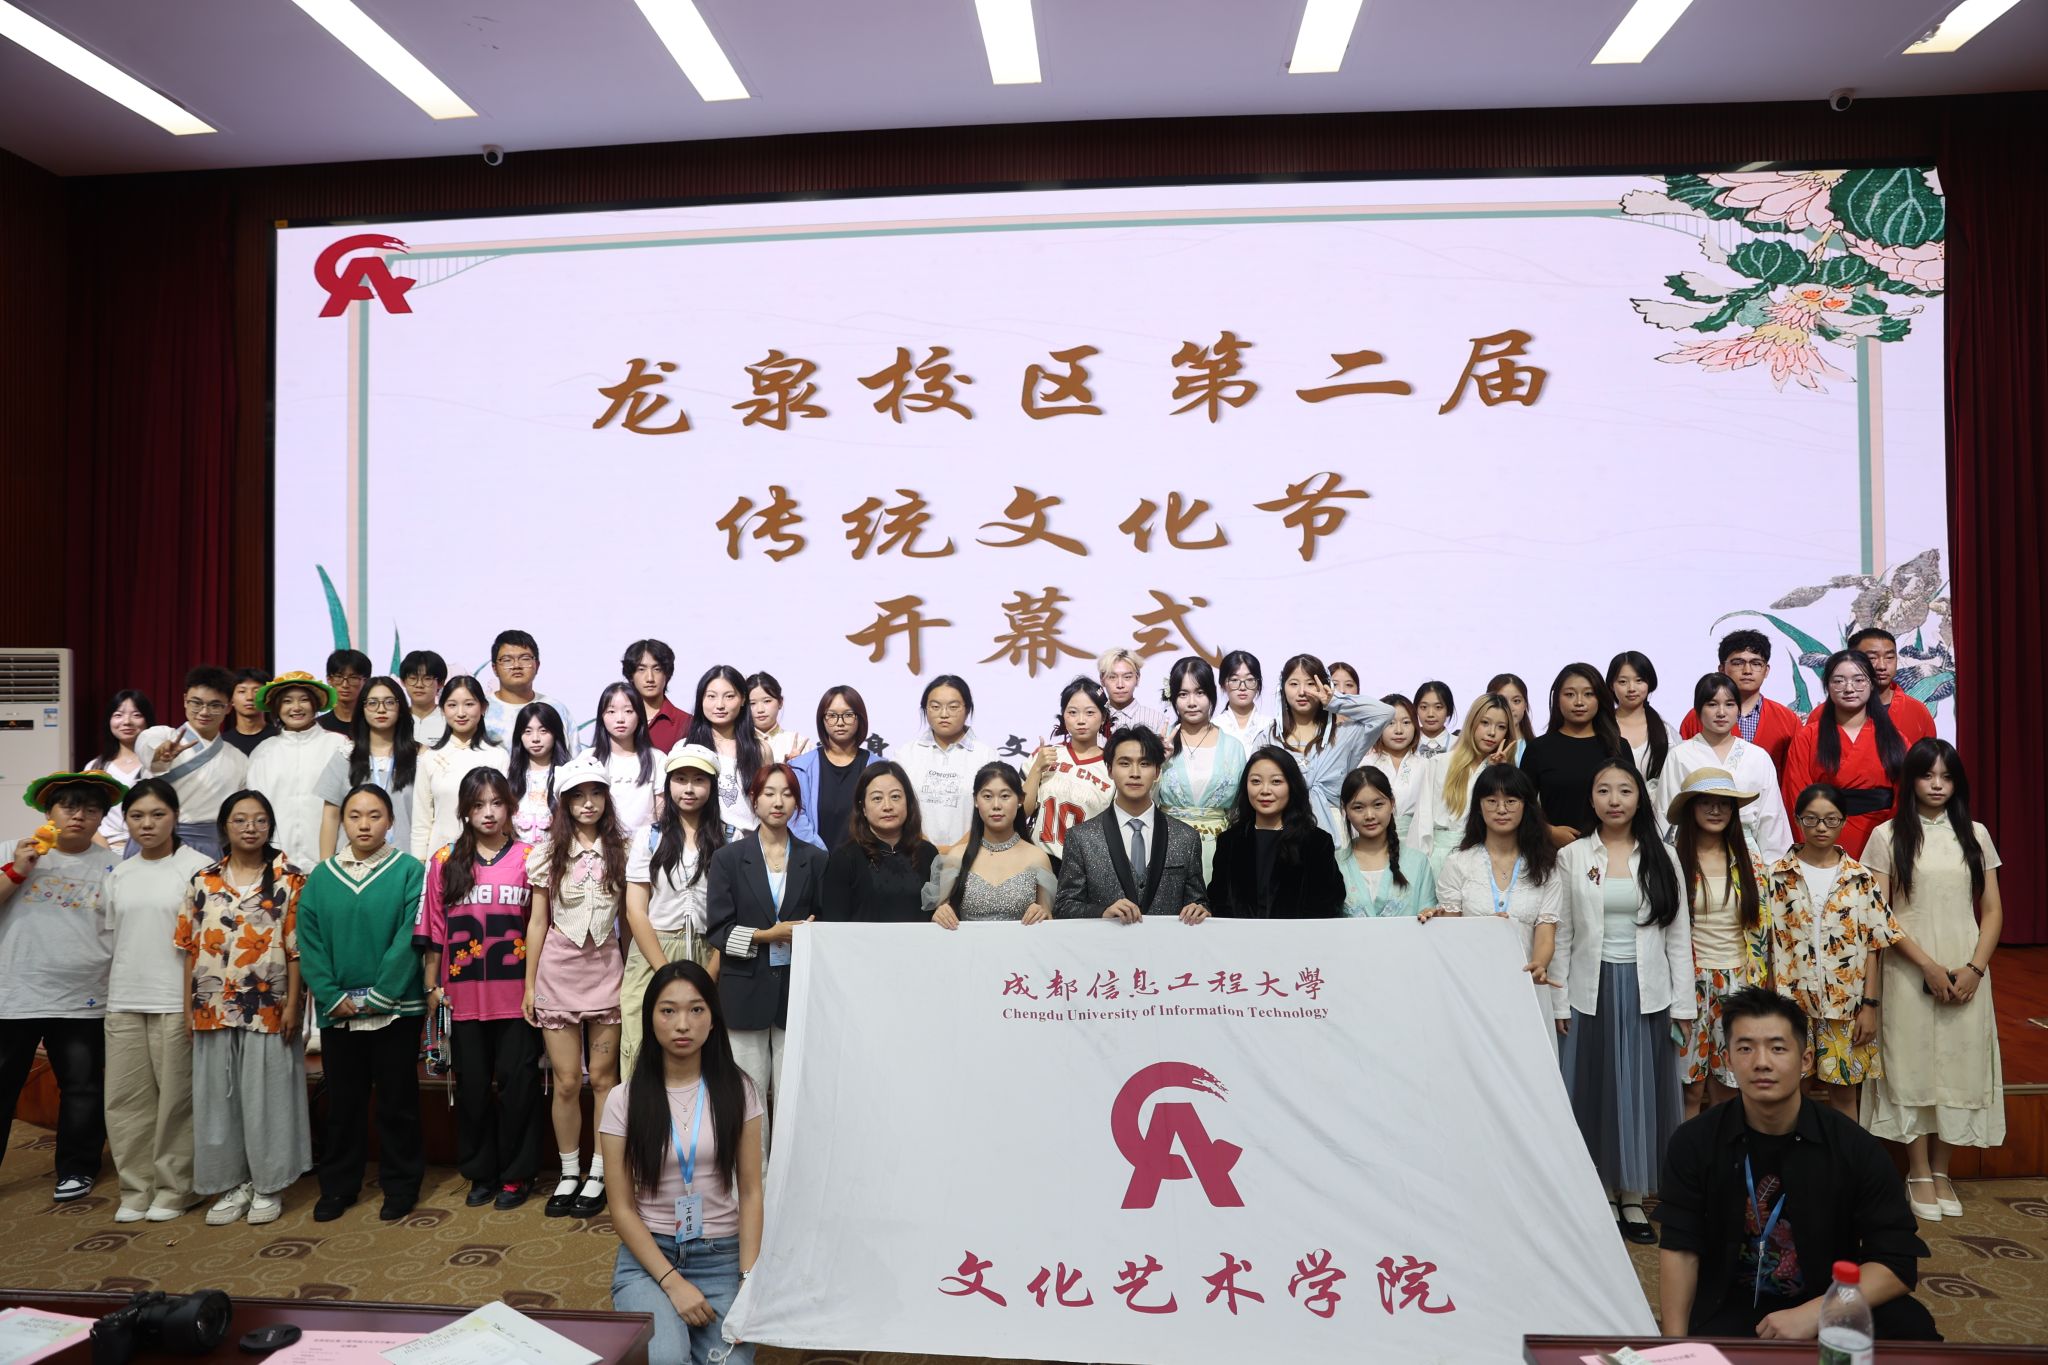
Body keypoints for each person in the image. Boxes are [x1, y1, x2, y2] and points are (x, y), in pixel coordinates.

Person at [1655, 987, 1939, 1342]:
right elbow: (1680, 1248)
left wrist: (1818, 1313)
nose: (1761, 1062)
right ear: (1727, 1060)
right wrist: (1674, 1348)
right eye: (1745, 1048)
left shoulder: (1854, 1147)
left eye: (1777, 1048)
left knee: (1912, 1327)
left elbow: (1896, 1262)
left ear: (1805, 1060)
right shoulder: (1695, 1142)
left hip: (1827, 1297)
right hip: (1729, 1302)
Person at [1863, 740, 2005, 1222]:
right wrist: (1925, 965)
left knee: (1960, 1064)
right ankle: (1918, 1171)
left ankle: (1942, 1170)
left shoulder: (1976, 834)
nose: (1938, 785)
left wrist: (1976, 968)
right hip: (1909, 967)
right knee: (1912, 1064)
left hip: (1966, 965)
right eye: (1927, 776)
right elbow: (1879, 915)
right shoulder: (1886, 836)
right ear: (1912, 781)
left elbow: (1992, 910)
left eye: (1946, 776)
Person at [1552, 759, 1691, 1244]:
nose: (1614, 800)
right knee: (1595, 1092)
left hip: (1646, 991)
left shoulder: (1663, 856)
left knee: (1637, 1094)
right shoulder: (1572, 856)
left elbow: (1678, 935)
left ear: (1640, 798)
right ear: (1591, 799)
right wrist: (1559, 1002)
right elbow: (1562, 934)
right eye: (1604, 790)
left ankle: (1632, 1196)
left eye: (1625, 790)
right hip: (1588, 991)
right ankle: (1601, 1193)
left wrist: (1683, 1006)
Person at [601, 961, 763, 1365]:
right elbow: (621, 1209)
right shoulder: (624, 1100)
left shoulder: (740, 1090)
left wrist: (749, 1280)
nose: (682, 1024)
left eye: (696, 1009)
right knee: (667, 1360)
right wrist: (673, 1283)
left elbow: (751, 1192)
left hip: (722, 1256)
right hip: (650, 1256)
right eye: (668, 1011)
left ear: (713, 1019)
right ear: (650, 1018)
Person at [295, 784, 429, 1222]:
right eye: (354, 816)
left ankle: (401, 1185)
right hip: (338, 1012)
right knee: (343, 1104)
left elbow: (410, 935)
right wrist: (331, 995)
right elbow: (309, 941)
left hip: (396, 1009)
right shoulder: (322, 877)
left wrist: (382, 993)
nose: (364, 824)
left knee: (397, 1103)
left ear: (391, 821)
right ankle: (338, 1187)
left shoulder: (408, 870)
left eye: (375, 815)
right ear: (343, 822)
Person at [179, 789, 311, 1226]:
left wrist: (294, 1005)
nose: (250, 828)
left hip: (268, 1005)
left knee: (268, 1099)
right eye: (240, 820)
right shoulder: (203, 881)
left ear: (270, 826)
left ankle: (269, 1184)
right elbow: (190, 949)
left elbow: (297, 950)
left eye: (259, 820)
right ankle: (234, 1183)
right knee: (219, 1100)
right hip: (212, 1006)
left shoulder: (291, 879)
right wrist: (188, 1009)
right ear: (225, 826)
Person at [414, 767, 542, 1211]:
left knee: (518, 1087)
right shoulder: (444, 860)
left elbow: (540, 927)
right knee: (471, 1091)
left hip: (516, 998)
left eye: (497, 803)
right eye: (478, 804)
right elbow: (434, 927)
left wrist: (536, 989)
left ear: (510, 807)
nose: (488, 813)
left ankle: (517, 1175)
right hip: (462, 997)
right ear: (465, 811)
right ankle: (480, 1173)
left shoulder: (530, 858)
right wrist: (431, 985)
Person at [0, 770, 122, 1202]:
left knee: (82, 1086)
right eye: (69, 807)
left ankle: (77, 1169)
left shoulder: (114, 867)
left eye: (91, 809)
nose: (79, 816)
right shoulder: (14, 851)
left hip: (83, 995)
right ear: (49, 812)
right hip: (16, 992)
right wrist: (18, 870)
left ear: (102, 818)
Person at [523, 756, 629, 1221]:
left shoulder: (624, 848)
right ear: (564, 803)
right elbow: (537, 921)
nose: (588, 804)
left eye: (596, 793)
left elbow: (630, 918)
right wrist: (529, 985)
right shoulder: (548, 851)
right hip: (558, 971)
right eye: (578, 796)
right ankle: (569, 1172)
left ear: (607, 798)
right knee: (566, 1081)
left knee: (604, 1079)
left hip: (606, 968)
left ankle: (600, 1173)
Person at [101, 778, 210, 1221]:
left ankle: (175, 1188)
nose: (147, 824)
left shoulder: (198, 868)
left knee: (176, 1103)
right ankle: (135, 1188)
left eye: (157, 814)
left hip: (174, 1000)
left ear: (176, 817)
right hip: (124, 998)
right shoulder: (120, 873)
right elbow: (112, 938)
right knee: (125, 1101)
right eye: (137, 816)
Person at [1765, 784, 1902, 1121]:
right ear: (1798, 820)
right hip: (1791, 1005)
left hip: (1845, 1007)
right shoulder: (1775, 876)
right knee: (1790, 1090)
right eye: (1811, 819)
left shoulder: (1860, 877)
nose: (1821, 827)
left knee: (1843, 1095)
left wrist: (1869, 1006)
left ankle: (1843, 1157)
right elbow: (1765, 943)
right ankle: (1792, 1154)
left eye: (1831, 819)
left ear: (1843, 821)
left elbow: (1873, 946)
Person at [706, 764, 824, 1157]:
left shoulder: (815, 859)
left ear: (797, 803)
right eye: (769, 793)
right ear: (753, 801)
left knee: (795, 1096)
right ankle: (753, 1182)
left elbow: (826, 924)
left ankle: (792, 1183)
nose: (778, 802)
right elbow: (718, 930)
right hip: (744, 990)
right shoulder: (728, 858)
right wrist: (765, 936)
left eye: (787, 794)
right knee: (748, 1099)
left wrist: (812, 932)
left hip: (797, 992)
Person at [1668, 768, 1775, 1120]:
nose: (1716, 810)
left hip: (1739, 982)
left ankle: (1722, 1154)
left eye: (1724, 804)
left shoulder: (1750, 861)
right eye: (1706, 803)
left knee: (1729, 1087)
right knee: (1689, 1086)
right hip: (1688, 983)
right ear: (1691, 808)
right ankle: (1685, 1153)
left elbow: (1764, 931)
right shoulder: (1672, 859)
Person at [1420, 764, 1561, 1019]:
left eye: (1511, 801)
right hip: (1471, 987)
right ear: (1479, 806)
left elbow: (1545, 933)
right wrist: (1440, 920)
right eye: (1491, 801)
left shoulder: (1545, 866)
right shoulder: (1459, 863)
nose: (1501, 809)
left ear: (1526, 806)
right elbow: (1451, 933)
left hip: (1526, 985)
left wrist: (1539, 965)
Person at [621, 747, 727, 1075]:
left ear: (712, 786)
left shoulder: (731, 837)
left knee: (706, 1056)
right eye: (680, 779)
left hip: (711, 952)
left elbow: (734, 914)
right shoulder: (649, 837)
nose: (689, 789)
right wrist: (665, 972)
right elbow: (635, 911)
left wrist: (708, 976)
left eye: (699, 780)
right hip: (654, 952)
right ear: (668, 785)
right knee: (641, 1052)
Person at [1052, 727, 1210, 924]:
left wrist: (1199, 909)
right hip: (1105, 942)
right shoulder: (1081, 837)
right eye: (1125, 763)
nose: (1135, 773)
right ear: (1110, 770)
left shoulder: (1186, 837)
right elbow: (1063, 907)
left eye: (1145, 764)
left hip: (1166, 943)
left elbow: (1199, 902)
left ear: (1157, 771)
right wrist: (1102, 912)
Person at [1781, 650, 1906, 858]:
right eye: (1839, 681)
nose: (1849, 688)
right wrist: (1810, 847)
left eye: (1859, 680)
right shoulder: (1807, 737)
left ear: (1872, 684)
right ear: (1827, 686)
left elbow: (1905, 797)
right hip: (1822, 840)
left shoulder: (1895, 739)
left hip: (1881, 841)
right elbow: (1795, 796)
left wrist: (1891, 841)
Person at [1663, 674, 1793, 860]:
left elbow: (1771, 820)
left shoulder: (1758, 757)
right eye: (1712, 704)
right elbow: (1665, 814)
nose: (1721, 712)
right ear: (1698, 709)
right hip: (1692, 852)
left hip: (1746, 853)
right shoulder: (1679, 755)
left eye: (1730, 704)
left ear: (1738, 709)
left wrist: (1774, 868)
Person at [1209, 747, 1345, 918]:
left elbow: (1328, 903)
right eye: (1256, 781)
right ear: (1246, 786)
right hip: (1239, 935)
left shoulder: (1317, 842)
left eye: (1276, 782)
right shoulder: (1229, 841)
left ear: (1292, 786)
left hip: (1297, 935)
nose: (1265, 790)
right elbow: (1217, 901)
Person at [1270, 654, 1393, 844]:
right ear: (1282, 688)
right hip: (1281, 828)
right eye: (1294, 684)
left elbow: (1385, 713)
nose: (1302, 691)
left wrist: (1335, 701)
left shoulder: (1344, 735)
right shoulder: (1269, 737)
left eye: (1311, 684)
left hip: (1333, 831)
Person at [135, 666, 251, 859]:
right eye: (196, 703)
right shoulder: (161, 734)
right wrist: (160, 754)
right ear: (184, 700)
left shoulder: (238, 758)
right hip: (156, 841)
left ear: (228, 707)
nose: (204, 712)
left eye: (215, 705)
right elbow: (147, 747)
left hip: (208, 848)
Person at [925, 762, 1056, 926]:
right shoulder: (957, 857)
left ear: (1020, 799)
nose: (996, 805)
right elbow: (941, 917)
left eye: (1005, 796)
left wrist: (1042, 914)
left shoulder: (1037, 857)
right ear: (975, 800)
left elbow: (1048, 921)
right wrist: (940, 914)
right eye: (987, 796)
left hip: (1023, 942)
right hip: (969, 943)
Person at [1407, 692, 1517, 882]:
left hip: (1484, 860)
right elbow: (1421, 824)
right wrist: (1415, 871)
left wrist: (1499, 775)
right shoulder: (1439, 763)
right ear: (1472, 722)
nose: (1492, 732)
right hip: (1438, 860)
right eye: (1485, 723)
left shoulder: (1507, 774)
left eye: (1501, 727)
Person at [246, 671, 350, 870]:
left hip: (332, 858)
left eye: (304, 700)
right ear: (277, 708)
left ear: (315, 705)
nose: (296, 707)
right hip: (276, 864)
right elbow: (255, 807)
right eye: (287, 701)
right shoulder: (264, 751)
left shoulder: (338, 745)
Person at [1156, 656, 1247, 881]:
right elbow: (1141, 799)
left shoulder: (1233, 747)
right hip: (1167, 846)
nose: (1192, 702)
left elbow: (1240, 809)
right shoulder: (1160, 744)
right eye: (1183, 694)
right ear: (1173, 698)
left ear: (1212, 694)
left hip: (1219, 851)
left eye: (1200, 692)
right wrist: (1155, 762)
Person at [1521, 663, 1626, 848]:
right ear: (1557, 699)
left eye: (1588, 694)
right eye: (1569, 694)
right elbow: (1520, 805)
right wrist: (1548, 831)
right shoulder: (1538, 749)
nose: (1579, 702)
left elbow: (1632, 801)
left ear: (1600, 698)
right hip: (1554, 852)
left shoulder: (1618, 747)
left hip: (1610, 850)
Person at [315, 676, 420, 860]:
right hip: (351, 862)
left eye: (389, 702)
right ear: (362, 710)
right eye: (372, 703)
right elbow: (331, 817)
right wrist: (324, 868)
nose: (381, 709)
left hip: (404, 862)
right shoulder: (345, 756)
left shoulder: (420, 758)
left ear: (401, 708)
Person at [820, 762, 937, 922]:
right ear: (863, 807)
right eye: (877, 798)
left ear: (908, 802)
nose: (887, 806)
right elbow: (833, 924)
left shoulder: (928, 854)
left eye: (895, 796)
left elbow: (937, 911)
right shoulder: (845, 858)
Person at [1677, 630, 1804, 776]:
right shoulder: (1697, 717)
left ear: (1766, 670)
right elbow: (1682, 769)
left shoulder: (1788, 720)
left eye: (1756, 663)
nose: (1747, 670)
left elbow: (1794, 777)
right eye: (1738, 663)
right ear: (1721, 669)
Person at [411, 675, 510, 859]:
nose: (461, 713)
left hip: (489, 859)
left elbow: (506, 816)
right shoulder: (430, 758)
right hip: (441, 858)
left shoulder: (498, 757)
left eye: (469, 704)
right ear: (442, 710)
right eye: (452, 705)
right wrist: (420, 862)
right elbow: (421, 822)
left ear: (483, 708)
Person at [1023, 676, 1115, 868]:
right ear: (1063, 716)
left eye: (1090, 712)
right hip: (1039, 863)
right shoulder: (1045, 755)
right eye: (1072, 712)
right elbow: (1021, 812)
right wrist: (1037, 768)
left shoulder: (1112, 767)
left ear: (1103, 717)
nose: (1081, 720)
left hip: (1087, 868)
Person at [898, 675, 994, 849]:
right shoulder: (906, 754)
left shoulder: (986, 756)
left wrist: (958, 849)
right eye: (935, 707)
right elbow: (897, 806)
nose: (944, 714)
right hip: (914, 851)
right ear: (925, 709)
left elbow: (994, 809)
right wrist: (926, 847)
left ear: (967, 709)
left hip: (972, 853)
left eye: (953, 707)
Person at [786, 686, 876, 853]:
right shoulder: (801, 767)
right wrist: (821, 855)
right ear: (822, 720)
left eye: (848, 715)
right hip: (814, 861)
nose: (840, 722)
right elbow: (796, 816)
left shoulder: (877, 767)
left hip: (865, 860)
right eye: (832, 715)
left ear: (860, 718)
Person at [1336, 767, 1435, 917]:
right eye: (1358, 808)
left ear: (1392, 803)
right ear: (1345, 810)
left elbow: (1428, 912)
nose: (1369, 815)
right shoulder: (1335, 863)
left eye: (1378, 805)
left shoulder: (1417, 862)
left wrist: (1430, 914)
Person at [685, 665, 762, 838]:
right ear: (701, 700)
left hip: (749, 845)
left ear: (743, 699)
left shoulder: (760, 750)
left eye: (729, 696)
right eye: (711, 696)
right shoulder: (686, 748)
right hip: (703, 843)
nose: (720, 705)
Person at [1837, 627, 1937, 749]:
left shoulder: (1918, 713)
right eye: (1872, 658)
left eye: (1889, 657)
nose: (1882, 666)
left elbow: (1930, 758)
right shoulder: (1827, 714)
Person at [1608, 651, 1678, 822]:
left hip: (1656, 819)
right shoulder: (1601, 728)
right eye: (1623, 682)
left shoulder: (1666, 731)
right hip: (1611, 815)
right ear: (1611, 685)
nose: (1631, 688)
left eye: (1639, 680)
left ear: (1649, 683)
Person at [592, 682, 668, 835]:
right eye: (611, 711)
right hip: (602, 843)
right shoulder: (589, 759)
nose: (620, 719)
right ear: (602, 716)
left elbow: (662, 812)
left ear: (639, 715)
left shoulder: (657, 759)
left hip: (645, 845)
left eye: (628, 711)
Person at [85, 689, 153, 855]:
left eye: (136, 715)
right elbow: (85, 813)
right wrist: (107, 854)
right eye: (118, 715)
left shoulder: (158, 765)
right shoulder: (95, 767)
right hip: (105, 850)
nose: (127, 721)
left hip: (150, 850)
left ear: (147, 721)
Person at [483, 630, 577, 747]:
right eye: (507, 660)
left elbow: (573, 756)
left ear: (537, 665)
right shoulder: (481, 710)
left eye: (525, 658)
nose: (516, 666)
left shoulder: (556, 709)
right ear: (495, 668)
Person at [507, 700, 573, 849]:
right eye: (527, 731)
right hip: (517, 859)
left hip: (557, 856)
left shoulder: (568, 775)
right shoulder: (509, 777)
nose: (535, 738)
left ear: (555, 734)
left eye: (543, 731)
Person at [1364, 693, 1427, 832]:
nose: (1399, 730)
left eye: (1406, 722)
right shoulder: (1364, 765)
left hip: (1416, 838)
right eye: (1390, 723)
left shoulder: (1426, 766)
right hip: (1373, 836)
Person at [623, 638, 693, 754]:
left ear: (667, 674)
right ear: (631, 675)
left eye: (657, 669)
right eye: (641, 669)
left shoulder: (687, 724)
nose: (650, 678)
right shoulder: (617, 720)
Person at [1098, 647, 1170, 736]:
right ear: (1102, 679)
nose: (1120, 685)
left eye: (1127, 677)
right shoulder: (1093, 719)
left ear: (1137, 678)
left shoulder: (1156, 720)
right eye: (1112, 677)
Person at [745, 672, 810, 764]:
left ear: (780, 702)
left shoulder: (799, 743)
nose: (760, 710)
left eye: (767, 701)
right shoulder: (735, 743)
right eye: (752, 703)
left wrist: (793, 768)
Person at [1216, 649, 1273, 750]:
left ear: (1258, 684)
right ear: (1223, 685)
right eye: (1234, 680)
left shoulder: (1270, 726)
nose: (1242, 687)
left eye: (1250, 679)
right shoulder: (1215, 726)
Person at [399, 649, 449, 747]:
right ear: (403, 682)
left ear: (441, 683)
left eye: (427, 679)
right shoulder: (396, 719)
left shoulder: (450, 719)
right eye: (413, 678)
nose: (419, 685)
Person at [225, 667, 277, 756]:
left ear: (267, 698)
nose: (249, 697)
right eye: (242, 691)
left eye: (257, 691)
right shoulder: (223, 743)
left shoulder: (280, 737)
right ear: (231, 700)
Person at [319, 648, 372, 735]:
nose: (345, 685)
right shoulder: (319, 727)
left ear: (366, 681)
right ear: (329, 680)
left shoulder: (374, 724)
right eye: (339, 677)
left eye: (353, 678)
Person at [1487, 671, 1537, 757]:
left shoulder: (1537, 749)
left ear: (1525, 705)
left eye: (1516, 701)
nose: (1510, 708)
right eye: (1502, 700)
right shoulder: (1479, 744)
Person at [1413, 680, 1456, 758]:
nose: (1430, 714)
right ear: (1416, 709)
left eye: (1438, 707)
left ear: (1449, 710)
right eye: (1424, 707)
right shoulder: (1407, 744)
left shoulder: (1460, 745)